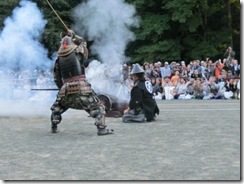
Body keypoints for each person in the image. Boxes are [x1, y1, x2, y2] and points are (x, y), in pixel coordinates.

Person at [50, 29, 113, 135]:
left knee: (57, 108)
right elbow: (83, 42)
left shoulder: (58, 60)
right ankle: (101, 129)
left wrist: (62, 88)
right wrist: (74, 35)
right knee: (99, 107)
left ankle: (54, 125)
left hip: (65, 90)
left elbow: (56, 78)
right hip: (81, 88)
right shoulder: (78, 53)